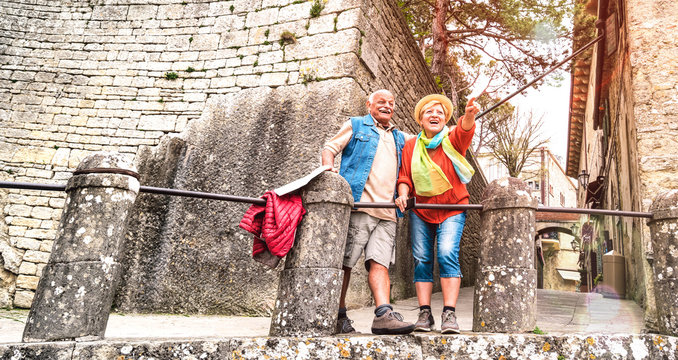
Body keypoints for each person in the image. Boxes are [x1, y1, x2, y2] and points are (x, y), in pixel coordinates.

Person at [322, 89, 415, 335]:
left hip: (388, 213)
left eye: (391, 103)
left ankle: (383, 315)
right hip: (360, 206)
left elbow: (426, 142)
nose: (387, 106)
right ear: (369, 104)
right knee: (345, 263)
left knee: (380, 263)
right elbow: (330, 148)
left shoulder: (400, 137)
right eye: (381, 102)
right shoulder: (356, 125)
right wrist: (328, 171)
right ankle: (338, 315)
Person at [395, 94, 479, 334]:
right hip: (421, 210)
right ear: (420, 120)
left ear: (445, 119)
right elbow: (405, 177)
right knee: (422, 259)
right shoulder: (411, 145)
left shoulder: (452, 139)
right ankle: (424, 313)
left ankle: (449, 314)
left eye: (440, 113)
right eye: (429, 112)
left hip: (452, 208)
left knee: (446, 254)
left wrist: (470, 114)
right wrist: (402, 194)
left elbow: (465, 131)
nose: (435, 115)